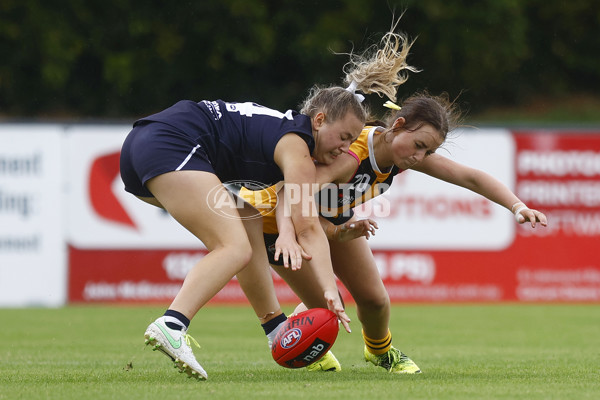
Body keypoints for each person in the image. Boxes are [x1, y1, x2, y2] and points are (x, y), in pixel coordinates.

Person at [238, 94, 548, 374]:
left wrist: (517, 206)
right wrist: (296, 233)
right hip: (281, 225)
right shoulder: (351, 154)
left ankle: (380, 351)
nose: (420, 156)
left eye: (428, 151)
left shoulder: (400, 157)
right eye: (419, 145)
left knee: (375, 301)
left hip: (332, 219)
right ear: (398, 125)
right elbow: (290, 192)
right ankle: (308, 344)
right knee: (326, 309)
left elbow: (470, 177)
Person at [118, 77, 369, 379]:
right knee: (233, 247)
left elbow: (286, 209)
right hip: (171, 143)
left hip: (143, 145)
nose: (345, 148)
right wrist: (329, 289)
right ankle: (172, 325)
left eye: (352, 141)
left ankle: (275, 328)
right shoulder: (298, 148)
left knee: (246, 216)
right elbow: (309, 229)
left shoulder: (289, 134)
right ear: (319, 120)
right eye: (343, 137)